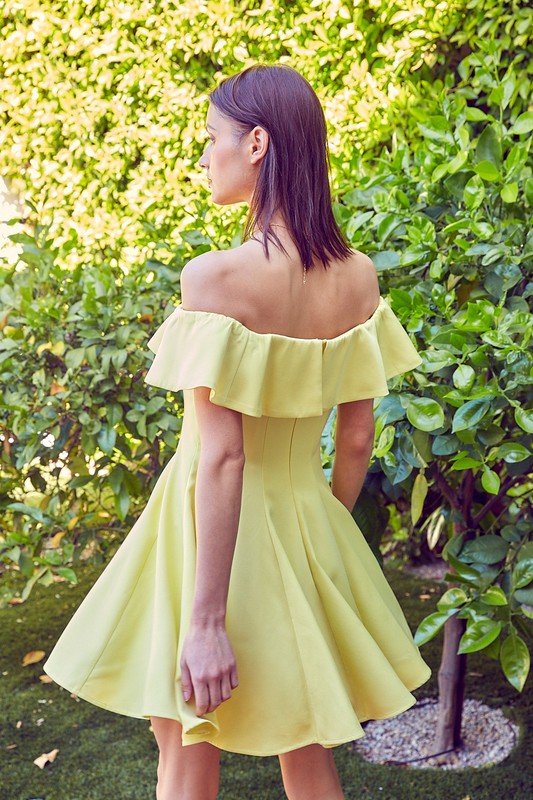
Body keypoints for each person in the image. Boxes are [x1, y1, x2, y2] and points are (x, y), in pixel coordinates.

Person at [45, 64, 431, 799]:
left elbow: (221, 456)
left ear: (256, 143)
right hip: (305, 523)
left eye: (210, 138)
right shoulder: (358, 277)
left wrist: (206, 620)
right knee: (307, 747)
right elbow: (355, 442)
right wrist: (314, 535)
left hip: (203, 533)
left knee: (186, 737)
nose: (202, 156)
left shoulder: (213, 278)